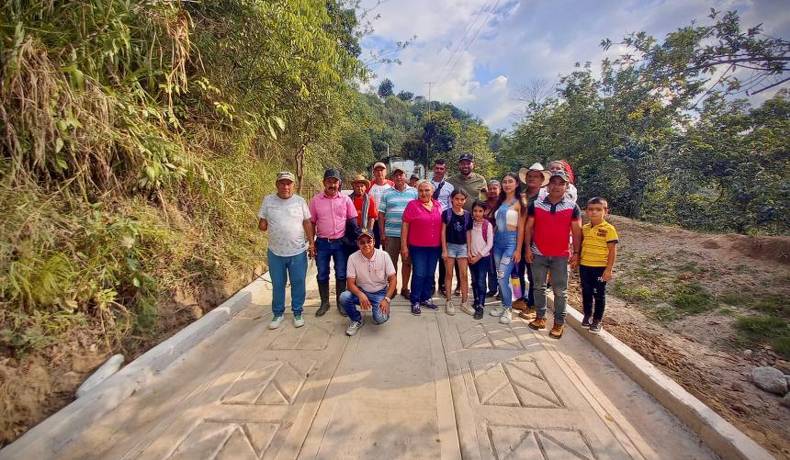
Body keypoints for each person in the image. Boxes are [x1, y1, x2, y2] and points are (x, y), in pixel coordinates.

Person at [525, 170, 582, 339]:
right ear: (547, 185)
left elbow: (577, 232)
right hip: (538, 253)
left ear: (566, 186)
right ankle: (540, 317)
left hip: (561, 255)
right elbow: (529, 227)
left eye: (561, 183)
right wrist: (527, 248)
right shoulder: (536, 204)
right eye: (554, 182)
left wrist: (576, 253)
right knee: (538, 287)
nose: (556, 186)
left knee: (560, 291)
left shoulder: (573, 207)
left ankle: (558, 323)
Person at [258, 171, 314, 329]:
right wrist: (262, 224)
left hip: (297, 252)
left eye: (289, 183)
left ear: (293, 186)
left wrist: (311, 244)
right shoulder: (268, 200)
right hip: (275, 252)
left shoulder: (300, 201)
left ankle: (297, 312)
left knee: (298, 282)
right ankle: (278, 314)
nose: (285, 186)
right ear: (277, 185)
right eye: (282, 183)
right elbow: (262, 223)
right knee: (278, 284)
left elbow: (307, 223)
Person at [309, 169, 359, 317]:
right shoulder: (315, 200)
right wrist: (311, 243)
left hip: (341, 243)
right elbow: (311, 223)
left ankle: (341, 303)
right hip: (322, 243)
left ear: (339, 183)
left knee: (342, 274)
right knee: (322, 274)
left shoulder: (346, 200)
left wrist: (356, 241)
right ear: (324, 183)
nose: (332, 184)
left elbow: (353, 222)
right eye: (329, 181)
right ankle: (324, 303)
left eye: (335, 181)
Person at [340, 230, 397, 336]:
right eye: (362, 242)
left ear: (374, 242)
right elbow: (350, 283)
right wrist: (360, 294)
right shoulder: (352, 258)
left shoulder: (384, 255)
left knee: (379, 319)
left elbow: (393, 279)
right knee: (344, 297)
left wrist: (387, 299)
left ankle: (384, 308)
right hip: (362, 291)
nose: (366, 245)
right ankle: (357, 320)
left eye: (369, 241)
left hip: (380, 293)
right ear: (358, 244)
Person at [514, 162, 550, 319]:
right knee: (516, 272)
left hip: (535, 240)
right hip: (517, 238)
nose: (532, 179)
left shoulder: (545, 198)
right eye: (529, 176)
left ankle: (533, 305)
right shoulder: (520, 194)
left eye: (536, 177)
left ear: (542, 180)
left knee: (534, 274)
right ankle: (519, 298)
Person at [401, 180, 442, 315]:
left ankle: (426, 298)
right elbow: (405, 226)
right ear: (417, 192)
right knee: (419, 273)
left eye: (427, 190)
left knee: (430, 274)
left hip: (435, 247)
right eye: (421, 191)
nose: (424, 193)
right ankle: (415, 300)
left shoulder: (437, 205)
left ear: (432, 191)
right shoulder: (412, 205)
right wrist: (404, 246)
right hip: (417, 247)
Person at [579, 197, 619, 334]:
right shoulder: (584, 228)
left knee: (599, 294)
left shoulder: (609, 229)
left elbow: (612, 251)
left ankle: (597, 320)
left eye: (598, 209)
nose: (594, 212)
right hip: (584, 266)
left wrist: (608, 270)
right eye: (590, 209)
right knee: (586, 292)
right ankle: (587, 315)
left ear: (606, 211)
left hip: (600, 268)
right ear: (586, 211)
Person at [489, 173, 525, 324]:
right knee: (500, 276)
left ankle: (508, 308)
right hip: (497, 244)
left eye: (510, 181)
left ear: (516, 184)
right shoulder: (501, 201)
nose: (507, 184)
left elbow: (522, 229)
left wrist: (518, 250)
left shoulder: (520, 202)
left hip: (511, 243)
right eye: (504, 182)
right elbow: (497, 224)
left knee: (503, 276)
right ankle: (503, 304)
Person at [378, 168, 417, 298]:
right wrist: (382, 233)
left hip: (409, 235)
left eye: (401, 175)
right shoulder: (387, 193)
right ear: (393, 178)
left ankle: (405, 288)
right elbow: (381, 214)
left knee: (407, 262)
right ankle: (393, 287)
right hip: (391, 234)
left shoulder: (414, 192)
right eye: (396, 175)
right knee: (391, 263)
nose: (399, 177)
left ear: (405, 177)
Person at [441, 189, 472, 316]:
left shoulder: (467, 215)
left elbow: (469, 233)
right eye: (457, 199)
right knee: (449, 274)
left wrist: (469, 250)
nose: (459, 202)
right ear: (451, 199)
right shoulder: (446, 213)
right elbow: (442, 232)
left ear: (465, 200)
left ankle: (464, 302)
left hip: (463, 247)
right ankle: (449, 301)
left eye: (462, 199)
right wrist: (444, 250)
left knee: (464, 275)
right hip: (450, 246)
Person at [468, 200, 493, 320]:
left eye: (480, 211)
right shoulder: (470, 223)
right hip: (471, 257)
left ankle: (481, 305)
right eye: (475, 211)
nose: (477, 213)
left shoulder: (487, 225)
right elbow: (468, 239)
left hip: (482, 258)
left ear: (484, 212)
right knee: (474, 280)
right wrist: (470, 254)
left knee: (481, 280)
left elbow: (489, 244)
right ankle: (476, 299)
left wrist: (478, 256)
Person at [368, 162, 394, 248]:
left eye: (382, 170)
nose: (379, 172)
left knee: (387, 246)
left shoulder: (391, 185)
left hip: (388, 221)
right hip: (373, 221)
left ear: (386, 172)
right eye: (377, 170)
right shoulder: (369, 185)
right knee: (374, 246)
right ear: (374, 172)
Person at [484, 180, 501, 298]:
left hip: (501, 239)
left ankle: (505, 291)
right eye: (490, 188)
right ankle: (492, 288)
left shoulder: (504, 205)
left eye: (495, 188)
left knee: (501, 266)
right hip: (485, 240)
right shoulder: (483, 204)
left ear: (500, 190)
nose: (492, 191)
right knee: (490, 266)